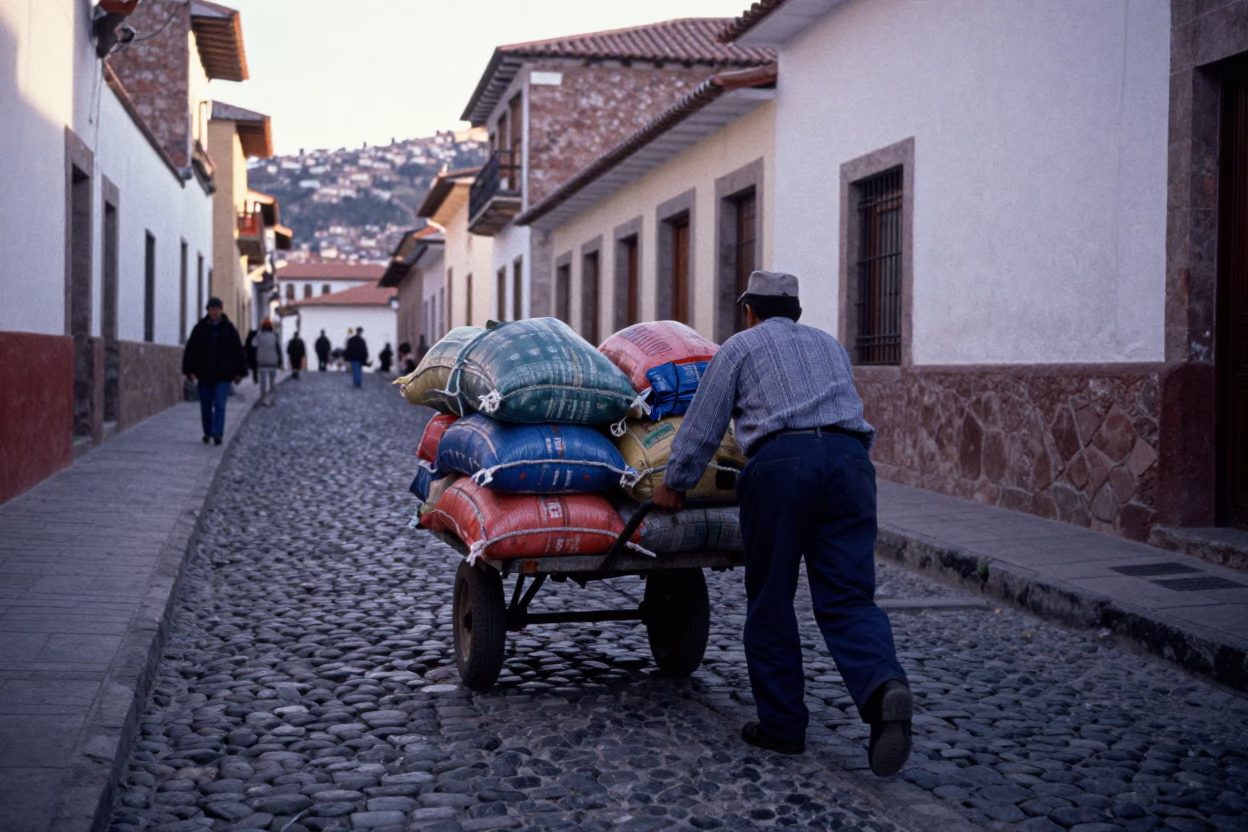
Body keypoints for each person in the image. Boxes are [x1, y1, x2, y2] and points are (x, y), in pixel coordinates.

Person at [653, 271, 913, 776]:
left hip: (781, 465)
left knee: (772, 596)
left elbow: (704, 422)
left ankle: (783, 726)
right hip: (850, 464)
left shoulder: (741, 346)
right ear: (795, 310)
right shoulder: (830, 346)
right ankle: (883, 689)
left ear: (749, 310)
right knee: (848, 597)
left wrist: (675, 483)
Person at [182, 297, 246, 446]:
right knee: (205, 405)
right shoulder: (200, 328)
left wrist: (239, 372)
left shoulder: (229, 329)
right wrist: (188, 370)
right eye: (211, 309)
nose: (213, 312)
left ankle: (218, 434)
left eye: (216, 309)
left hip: (223, 375)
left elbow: (237, 351)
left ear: (221, 310)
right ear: (208, 310)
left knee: (220, 404)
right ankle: (208, 432)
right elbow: (191, 349)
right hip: (204, 374)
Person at [254, 319, 281, 406]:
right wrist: (280, 361)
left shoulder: (259, 336)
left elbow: (253, 344)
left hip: (262, 361)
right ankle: (272, 398)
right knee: (272, 382)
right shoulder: (274, 337)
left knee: (263, 382)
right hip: (273, 361)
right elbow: (278, 349)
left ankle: (263, 398)